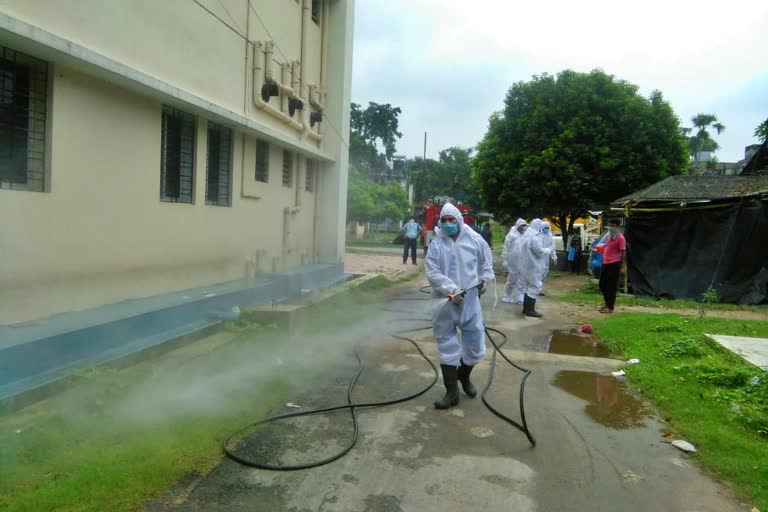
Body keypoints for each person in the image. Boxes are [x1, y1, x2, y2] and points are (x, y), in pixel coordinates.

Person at [425, 203, 495, 410]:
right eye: (444, 220)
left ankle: (463, 376)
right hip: (445, 302)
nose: (447, 224)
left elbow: (486, 264)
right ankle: (451, 392)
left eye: (451, 220)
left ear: (459, 220)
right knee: (447, 345)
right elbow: (432, 272)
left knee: (474, 344)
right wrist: (451, 289)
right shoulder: (437, 244)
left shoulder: (475, 239)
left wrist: (484, 280)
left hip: (471, 301)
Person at [518, 218, 552, 317]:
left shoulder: (527, 236)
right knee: (535, 286)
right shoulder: (534, 238)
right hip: (533, 266)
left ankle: (526, 308)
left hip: (527, 265)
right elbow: (539, 251)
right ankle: (530, 310)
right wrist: (548, 250)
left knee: (528, 287)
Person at [599, 219, 626, 314]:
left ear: (617, 226)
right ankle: (607, 303)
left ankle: (610, 307)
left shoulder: (620, 238)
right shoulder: (608, 236)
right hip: (605, 263)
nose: (611, 227)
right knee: (602, 284)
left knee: (611, 286)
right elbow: (606, 248)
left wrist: (623, 266)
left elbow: (623, 252)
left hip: (614, 263)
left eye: (613, 225)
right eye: (610, 225)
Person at [502, 218, 527, 303]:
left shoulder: (525, 235)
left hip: (523, 261)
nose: (524, 228)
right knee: (512, 279)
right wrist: (505, 258)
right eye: (522, 226)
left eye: (525, 226)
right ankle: (507, 295)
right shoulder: (512, 235)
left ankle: (520, 297)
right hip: (513, 261)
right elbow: (506, 247)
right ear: (518, 226)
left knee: (522, 280)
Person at [540, 221, 557, 287]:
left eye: (547, 228)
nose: (546, 229)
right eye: (545, 228)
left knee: (545, 270)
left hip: (546, 257)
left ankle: (541, 284)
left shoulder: (550, 236)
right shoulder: (539, 235)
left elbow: (553, 247)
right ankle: (538, 288)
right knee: (539, 271)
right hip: (539, 256)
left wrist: (554, 257)